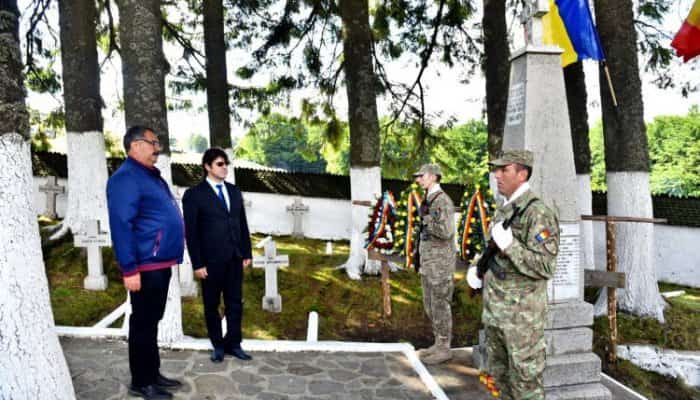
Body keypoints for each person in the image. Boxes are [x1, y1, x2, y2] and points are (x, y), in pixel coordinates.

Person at [107, 126, 184, 400]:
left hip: (159, 262)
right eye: (153, 143)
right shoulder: (126, 178)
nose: (157, 148)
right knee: (142, 323)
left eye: (158, 143)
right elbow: (121, 226)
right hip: (144, 265)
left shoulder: (149, 176)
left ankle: (153, 374)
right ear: (136, 145)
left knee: (152, 321)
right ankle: (141, 382)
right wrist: (129, 269)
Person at [476, 149, 560, 400]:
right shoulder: (505, 208)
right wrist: (477, 267)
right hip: (497, 312)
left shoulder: (538, 213)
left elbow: (545, 266)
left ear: (522, 174)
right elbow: (494, 251)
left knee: (525, 386)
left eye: (504, 170)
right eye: (496, 170)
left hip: (522, 320)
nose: (497, 175)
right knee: (500, 380)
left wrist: (510, 245)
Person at [182, 148, 253, 363]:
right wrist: (198, 263)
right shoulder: (194, 195)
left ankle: (234, 343)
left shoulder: (234, 191)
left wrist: (246, 252)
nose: (225, 168)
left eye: (226, 164)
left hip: (234, 259)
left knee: (235, 303)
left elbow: (242, 224)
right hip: (210, 262)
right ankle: (217, 345)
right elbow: (191, 233)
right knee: (211, 305)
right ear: (207, 166)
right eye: (220, 164)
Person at [413, 163, 456, 365]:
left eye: (421, 176)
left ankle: (444, 347)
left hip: (440, 265)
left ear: (432, 176)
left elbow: (446, 231)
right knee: (430, 305)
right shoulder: (430, 199)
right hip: (428, 263)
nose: (418, 179)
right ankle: (438, 343)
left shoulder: (442, 202)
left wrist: (428, 219)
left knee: (440, 304)